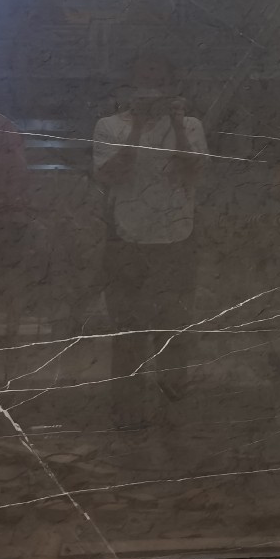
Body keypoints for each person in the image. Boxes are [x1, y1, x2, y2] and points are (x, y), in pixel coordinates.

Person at [93, 59, 206, 426]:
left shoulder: (190, 125)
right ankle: (127, 413)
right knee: (128, 330)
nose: (152, 93)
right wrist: (138, 126)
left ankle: (174, 411)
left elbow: (194, 171)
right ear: (129, 90)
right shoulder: (108, 126)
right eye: (143, 84)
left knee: (174, 328)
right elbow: (110, 175)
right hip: (126, 239)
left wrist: (177, 124)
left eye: (159, 85)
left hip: (177, 237)